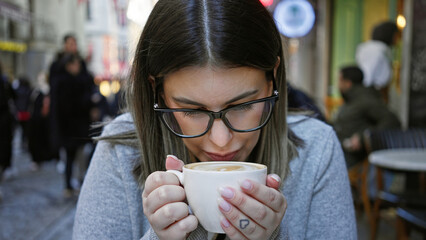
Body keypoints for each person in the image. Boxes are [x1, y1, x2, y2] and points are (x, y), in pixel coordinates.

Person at [73, 1, 357, 239]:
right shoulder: (121, 152)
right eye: (193, 111)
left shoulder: (316, 149)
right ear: (156, 91)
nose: (221, 141)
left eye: (243, 105)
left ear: (274, 78)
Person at [332, 66, 400, 168]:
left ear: (347, 83)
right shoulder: (350, 99)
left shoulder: (365, 99)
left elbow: (392, 121)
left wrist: (362, 138)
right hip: (340, 150)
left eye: (340, 80)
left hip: (352, 158)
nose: (338, 85)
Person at [50, 54, 94, 196]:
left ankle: (75, 183)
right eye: (75, 64)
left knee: (77, 156)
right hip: (71, 127)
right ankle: (71, 185)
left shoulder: (76, 80)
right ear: (69, 66)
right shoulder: (65, 82)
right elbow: (68, 106)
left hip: (74, 127)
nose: (78, 67)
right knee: (71, 157)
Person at [355, 21, 399, 101]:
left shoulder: (375, 49)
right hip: (372, 96)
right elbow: (368, 77)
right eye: (396, 35)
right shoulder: (378, 52)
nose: (398, 39)